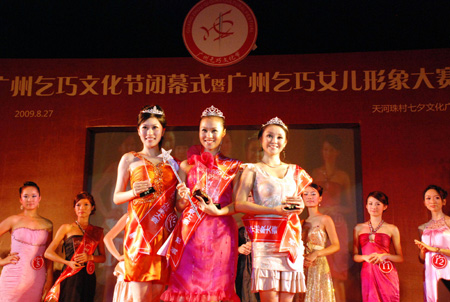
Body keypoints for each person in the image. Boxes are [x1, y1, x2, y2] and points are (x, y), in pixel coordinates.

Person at [160, 105, 242, 302]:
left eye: (214, 130)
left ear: (223, 133)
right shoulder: (186, 166)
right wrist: (181, 198)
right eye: (204, 130)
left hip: (221, 234)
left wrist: (218, 211)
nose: (209, 135)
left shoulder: (235, 167)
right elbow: (179, 207)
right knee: (186, 287)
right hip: (191, 235)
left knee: (217, 288)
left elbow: (239, 205)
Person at [235, 116, 312, 302]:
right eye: (269, 136)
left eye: (279, 137)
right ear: (261, 139)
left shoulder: (296, 171)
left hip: (290, 238)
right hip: (266, 238)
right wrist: (275, 210)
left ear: (285, 142)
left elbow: (297, 204)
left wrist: (300, 206)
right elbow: (239, 204)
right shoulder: (252, 170)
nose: (274, 141)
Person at [113, 105, 179, 302]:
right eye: (145, 127)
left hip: (164, 237)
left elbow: (178, 204)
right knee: (139, 297)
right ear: (138, 130)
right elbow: (116, 197)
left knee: (158, 297)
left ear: (163, 130)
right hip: (139, 234)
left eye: (155, 128)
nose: (150, 133)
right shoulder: (129, 159)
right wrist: (133, 192)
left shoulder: (173, 163)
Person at [44, 191, 106, 302]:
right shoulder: (66, 228)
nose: (82, 208)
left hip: (88, 276)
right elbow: (48, 253)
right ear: (74, 208)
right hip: (70, 274)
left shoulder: (97, 232)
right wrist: (67, 263)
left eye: (86, 204)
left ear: (92, 207)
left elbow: (103, 257)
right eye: (78, 205)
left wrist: (90, 257)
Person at [311, 134, 351, 302]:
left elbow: (349, 207)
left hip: (338, 223)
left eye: (331, 150)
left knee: (338, 273)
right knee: (321, 269)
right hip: (320, 225)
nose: (327, 153)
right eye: (325, 149)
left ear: (337, 152)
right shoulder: (315, 173)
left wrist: (335, 208)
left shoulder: (343, 176)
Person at [0, 181, 53, 302]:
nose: (30, 199)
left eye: (34, 196)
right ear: (20, 199)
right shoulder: (13, 220)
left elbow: (48, 255)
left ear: (39, 198)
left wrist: (49, 278)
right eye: (26, 196)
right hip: (13, 276)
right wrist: (1, 261)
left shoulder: (48, 224)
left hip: (37, 277)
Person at [353, 191, 403, 302]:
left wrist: (385, 256)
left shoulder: (392, 228)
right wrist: (364, 257)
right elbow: (355, 256)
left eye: (378, 204)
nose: (373, 207)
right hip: (368, 271)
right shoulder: (358, 228)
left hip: (386, 271)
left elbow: (400, 257)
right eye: (370, 203)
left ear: (385, 207)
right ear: (366, 206)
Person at [302, 183, 340, 302]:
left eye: (313, 194)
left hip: (319, 264)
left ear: (320, 198)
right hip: (303, 265)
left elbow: (336, 245)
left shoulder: (325, 219)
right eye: (306, 194)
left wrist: (316, 254)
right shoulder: (300, 222)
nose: (309, 197)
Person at [415, 185, 450, 302]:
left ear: (443, 201)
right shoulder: (422, 228)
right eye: (428, 198)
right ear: (424, 202)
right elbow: (422, 259)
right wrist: (422, 251)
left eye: (436, 198)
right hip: (430, 273)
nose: (432, 201)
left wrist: (436, 249)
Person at [103, 214, 133, 302]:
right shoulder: (129, 215)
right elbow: (107, 238)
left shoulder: (157, 214)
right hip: (129, 267)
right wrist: (118, 256)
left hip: (149, 265)